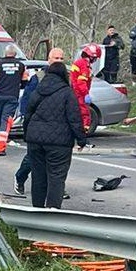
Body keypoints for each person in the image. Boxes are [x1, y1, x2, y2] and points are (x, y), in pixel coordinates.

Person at [24, 48, 86, 209]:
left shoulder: (38, 89)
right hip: (59, 143)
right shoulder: (67, 93)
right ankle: (52, 212)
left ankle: (37, 209)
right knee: (56, 177)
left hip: (35, 140)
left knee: (38, 177)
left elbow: (28, 113)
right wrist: (81, 139)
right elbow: (74, 118)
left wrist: (27, 134)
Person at [0, 44, 26, 150]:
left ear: (5, 53)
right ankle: (1, 146)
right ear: (15, 54)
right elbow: (25, 82)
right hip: (12, 97)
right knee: (6, 120)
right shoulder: (21, 66)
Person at [12, 71, 44, 195]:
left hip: (55, 125)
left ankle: (56, 188)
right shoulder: (38, 78)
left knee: (54, 159)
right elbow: (27, 101)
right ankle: (20, 177)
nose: (59, 61)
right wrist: (28, 120)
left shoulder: (64, 78)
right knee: (33, 155)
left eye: (61, 58)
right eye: (56, 58)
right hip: (37, 123)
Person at [72, 42, 99, 146]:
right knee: (85, 116)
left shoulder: (79, 62)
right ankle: (83, 140)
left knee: (78, 116)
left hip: (76, 93)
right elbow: (81, 82)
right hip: (80, 94)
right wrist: (86, 94)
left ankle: (80, 138)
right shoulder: (84, 65)